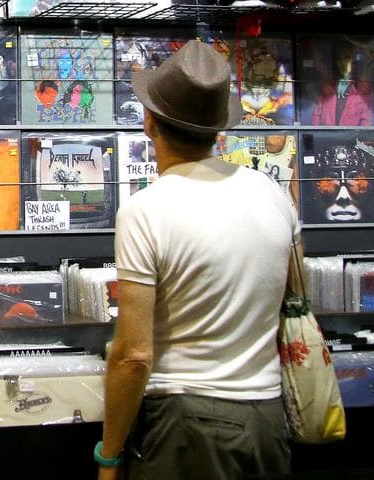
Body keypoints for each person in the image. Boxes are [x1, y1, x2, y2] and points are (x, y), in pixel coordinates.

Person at [97, 41, 293, 480]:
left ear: (149, 123)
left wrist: (108, 457)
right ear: (219, 127)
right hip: (267, 416)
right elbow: (293, 299)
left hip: (187, 425)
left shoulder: (145, 210)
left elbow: (133, 355)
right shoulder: (271, 193)